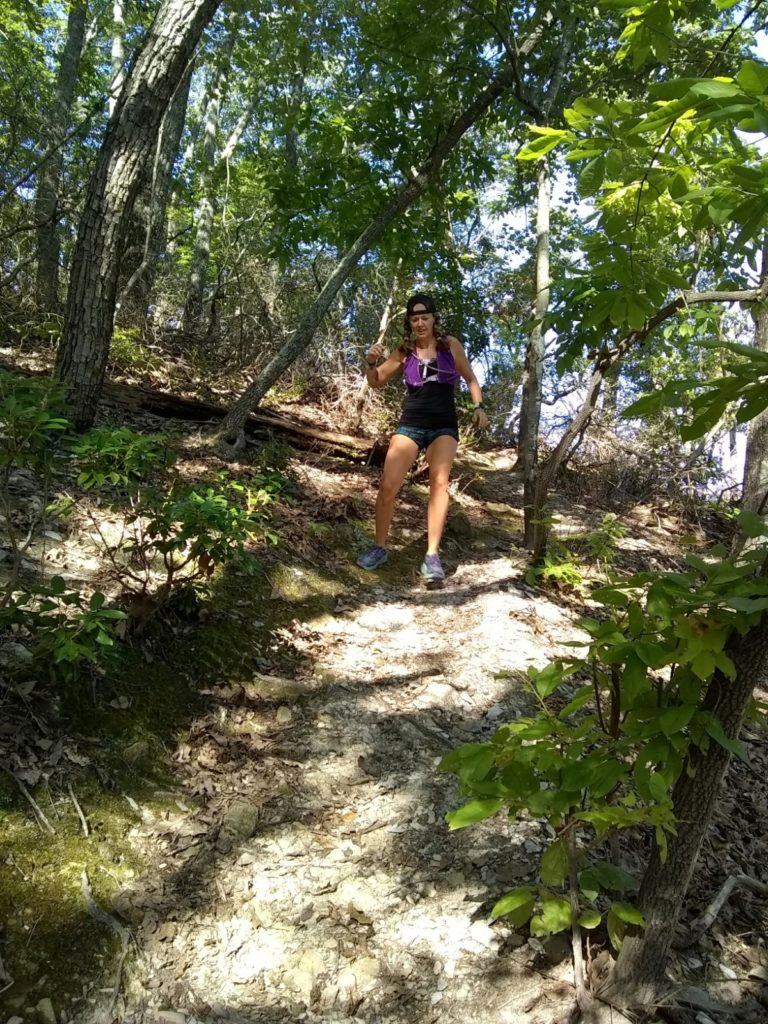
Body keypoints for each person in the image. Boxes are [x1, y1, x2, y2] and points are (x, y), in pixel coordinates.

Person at [357, 293, 489, 580]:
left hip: (444, 425)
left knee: (439, 483)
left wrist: (478, 406)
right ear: (409, 322)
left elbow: (471, 378)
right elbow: (376, 381)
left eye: (424, 318)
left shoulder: (449, 345)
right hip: (412, 423)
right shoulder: (404, 351)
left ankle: (432, 555)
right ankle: (379, 547)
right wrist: (369, 363)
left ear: (433, 319)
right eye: (414, 319)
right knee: (388, 485)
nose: (420, 323)